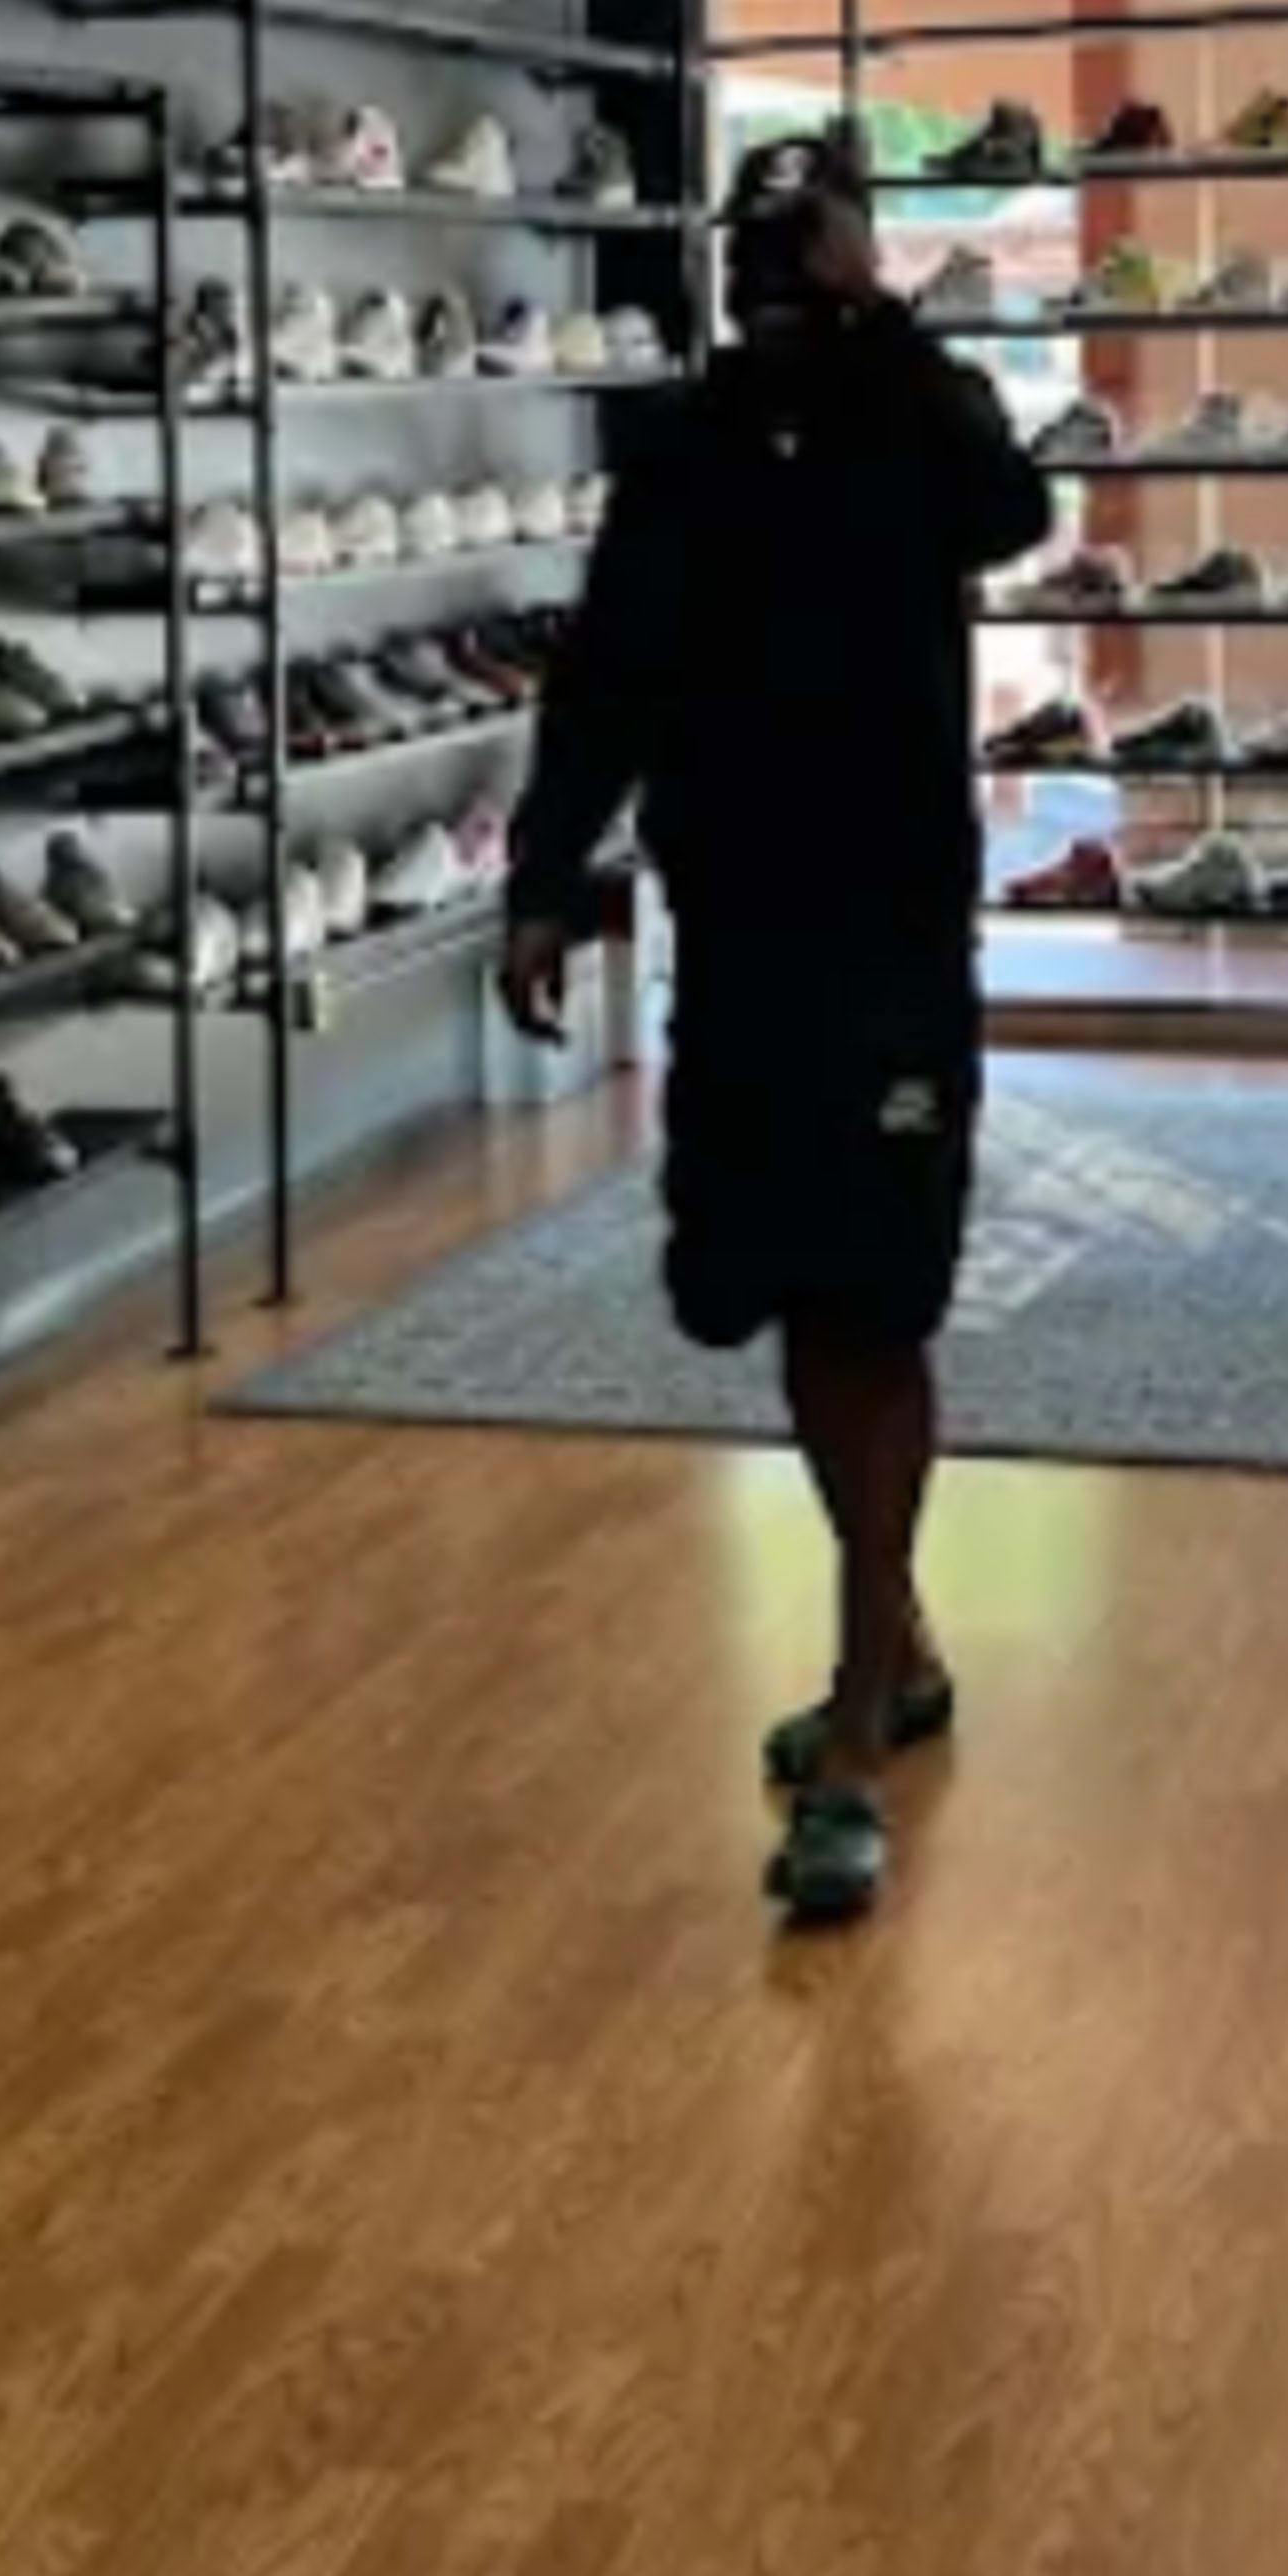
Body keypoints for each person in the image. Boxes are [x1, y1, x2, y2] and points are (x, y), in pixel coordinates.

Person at [499, 134, 1054, 1926]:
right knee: (768, 1284)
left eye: (811, 241)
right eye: (769, 243)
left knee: (868, 1301)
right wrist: (539, 871)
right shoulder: (687, 443)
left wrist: (882, 322)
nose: (786, 274)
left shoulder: (924, 415)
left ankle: (851, 1750)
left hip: (890, 925)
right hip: (739, 924)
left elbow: (1012, 514)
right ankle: (895, 1646)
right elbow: (606, 671)